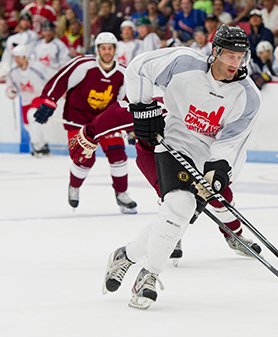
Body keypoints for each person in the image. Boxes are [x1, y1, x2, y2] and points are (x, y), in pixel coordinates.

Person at [68, 25, 263, 309]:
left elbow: (232, 143)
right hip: (171, 144)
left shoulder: (248, 96)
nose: (235, 64)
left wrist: (218, 172)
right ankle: (148, 276)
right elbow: (138, 68)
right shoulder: (183, 63)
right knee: (178, 206)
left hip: (205, 159)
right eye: (229, 56)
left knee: (178, 214)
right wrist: (140, 108)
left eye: (240, 57)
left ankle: (126, 256)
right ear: (215, 52)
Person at [33, 32, 138, 213]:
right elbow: (61, 80)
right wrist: (49, 102)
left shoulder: (122, 72)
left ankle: (121, 194)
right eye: (103, 48)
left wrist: (130, 127)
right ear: (97, 49)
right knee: (84, 158)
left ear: (115, 50)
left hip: (105, 121)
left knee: (118, 154)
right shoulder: (83, 64)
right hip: (79, 119)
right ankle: (74, 186)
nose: (107, 52)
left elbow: (126, 100)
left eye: (110, 48)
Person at [6, 44, 54, 156]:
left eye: (17, 57)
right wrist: (11, 91)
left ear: (24, 57)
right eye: (14, 57)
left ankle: (37, 146)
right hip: (26, 100)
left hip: (40, 97)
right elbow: (9, 86)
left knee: (33, 116)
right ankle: (42, 145)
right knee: (28, 125)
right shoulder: (13, 72)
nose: (15, 60)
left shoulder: (37, 68)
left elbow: (51, 78)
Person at [0, 12, 40, 82]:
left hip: (28, 68)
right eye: (23, 20)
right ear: (19, 22)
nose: (25, 23)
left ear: (30, 23)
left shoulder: (34, 36)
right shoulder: (12, 38)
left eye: (27, 20)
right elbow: (6, 59)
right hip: (12, 68)